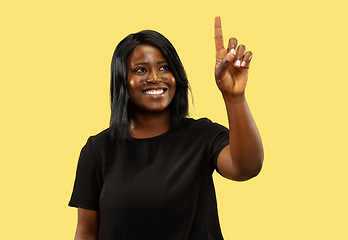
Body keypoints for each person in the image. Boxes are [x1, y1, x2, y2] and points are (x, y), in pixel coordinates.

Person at [69, 16, 264, 240]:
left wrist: (234, 97)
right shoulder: (98, 150)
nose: (155, 77)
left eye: (164, 67)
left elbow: (246, 168)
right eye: (141, 70)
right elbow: (86, 232)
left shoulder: (201, 135)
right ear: (123, 79)